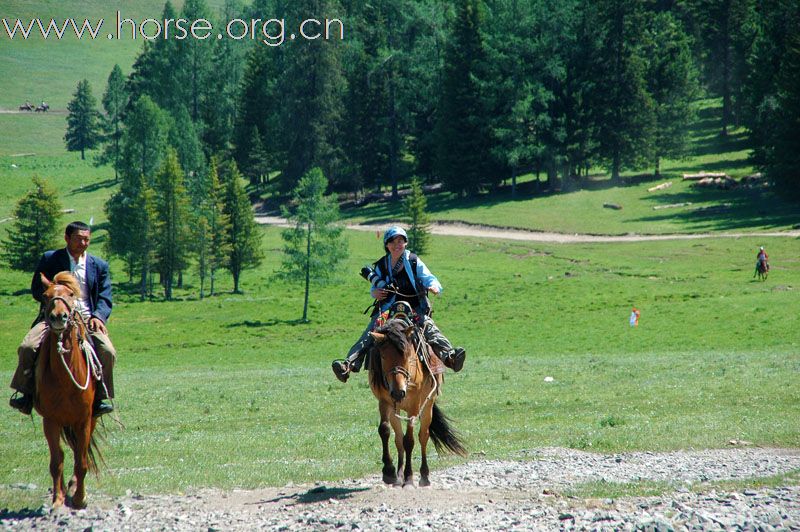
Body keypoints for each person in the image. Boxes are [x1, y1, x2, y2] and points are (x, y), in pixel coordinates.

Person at [332, 226, 466, 382]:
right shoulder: (382, 264)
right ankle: (348, 365)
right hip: (388, 308)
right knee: (371, 331)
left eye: (400, 241)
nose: (397, 245)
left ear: (405, 243)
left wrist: (434, 286)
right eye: (393, 241)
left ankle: (450, 357)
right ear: (387, 245)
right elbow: (374, 288)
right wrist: (374, 293)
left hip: (415, 306)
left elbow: (428, 277)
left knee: (428, 327)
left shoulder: (413, 260)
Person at [9, 221, 116, 417]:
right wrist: (52, 291)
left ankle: (101, 396)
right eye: (79, 239)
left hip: (85, 317)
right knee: (28, 347)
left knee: (107, 351)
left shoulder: (99, 265)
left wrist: (99, 316)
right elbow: (36, 289)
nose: (83, 243)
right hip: (52, 316)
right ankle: (24, 393)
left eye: (87, 239)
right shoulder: (50, 259)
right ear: (67, 238)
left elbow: (105, 296)